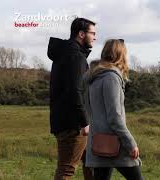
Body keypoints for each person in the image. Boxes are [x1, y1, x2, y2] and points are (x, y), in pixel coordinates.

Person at [84, 39, 143, 180]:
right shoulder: (111, 77)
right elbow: (114, 117)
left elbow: (88, 108)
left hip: (97, 141)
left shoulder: (91, 76)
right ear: (120, 54)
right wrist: (131, 143)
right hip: (115, 142)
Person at [47, 17, 96, 180]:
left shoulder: (67, 53)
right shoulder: (75, 57)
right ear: (81, 34)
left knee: (92, 163)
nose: (95, 37)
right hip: (73, 125)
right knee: (66, 169)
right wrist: (85, 121)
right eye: (92, 33)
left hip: (68, 121)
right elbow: (75, 91)